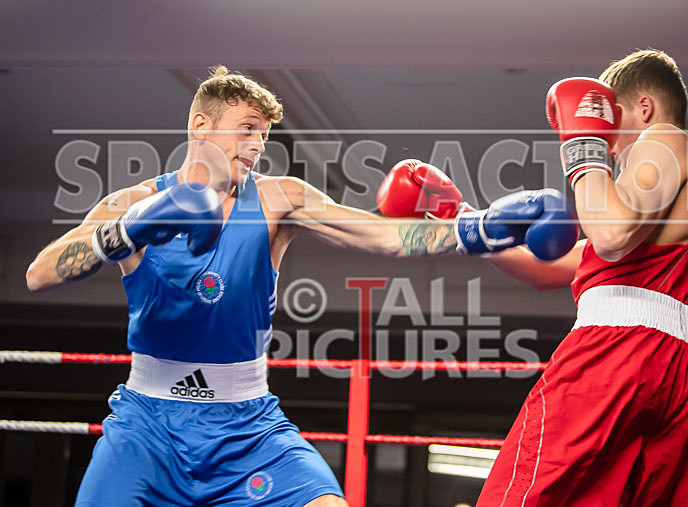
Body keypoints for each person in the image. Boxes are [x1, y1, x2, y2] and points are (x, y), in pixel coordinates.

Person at [25, 66, 530, 507]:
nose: (257, 146)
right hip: (147, 426)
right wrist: (126, 232)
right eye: (246, 129)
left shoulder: (276, 198)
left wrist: (473, 230)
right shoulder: (133, 203)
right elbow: (39, 274)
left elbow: (379, 235)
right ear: (200, 126)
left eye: (264, 136)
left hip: (246, 426)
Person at [379, 49, 688, 505]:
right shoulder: (669, 214)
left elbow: (611, 234)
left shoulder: (665, 139)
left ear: (642, 108)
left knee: (525, 494)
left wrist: (584, 146)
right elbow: (552, 269)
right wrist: (461, 220)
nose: (613, 146)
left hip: (620, 354)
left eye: (610, 125)